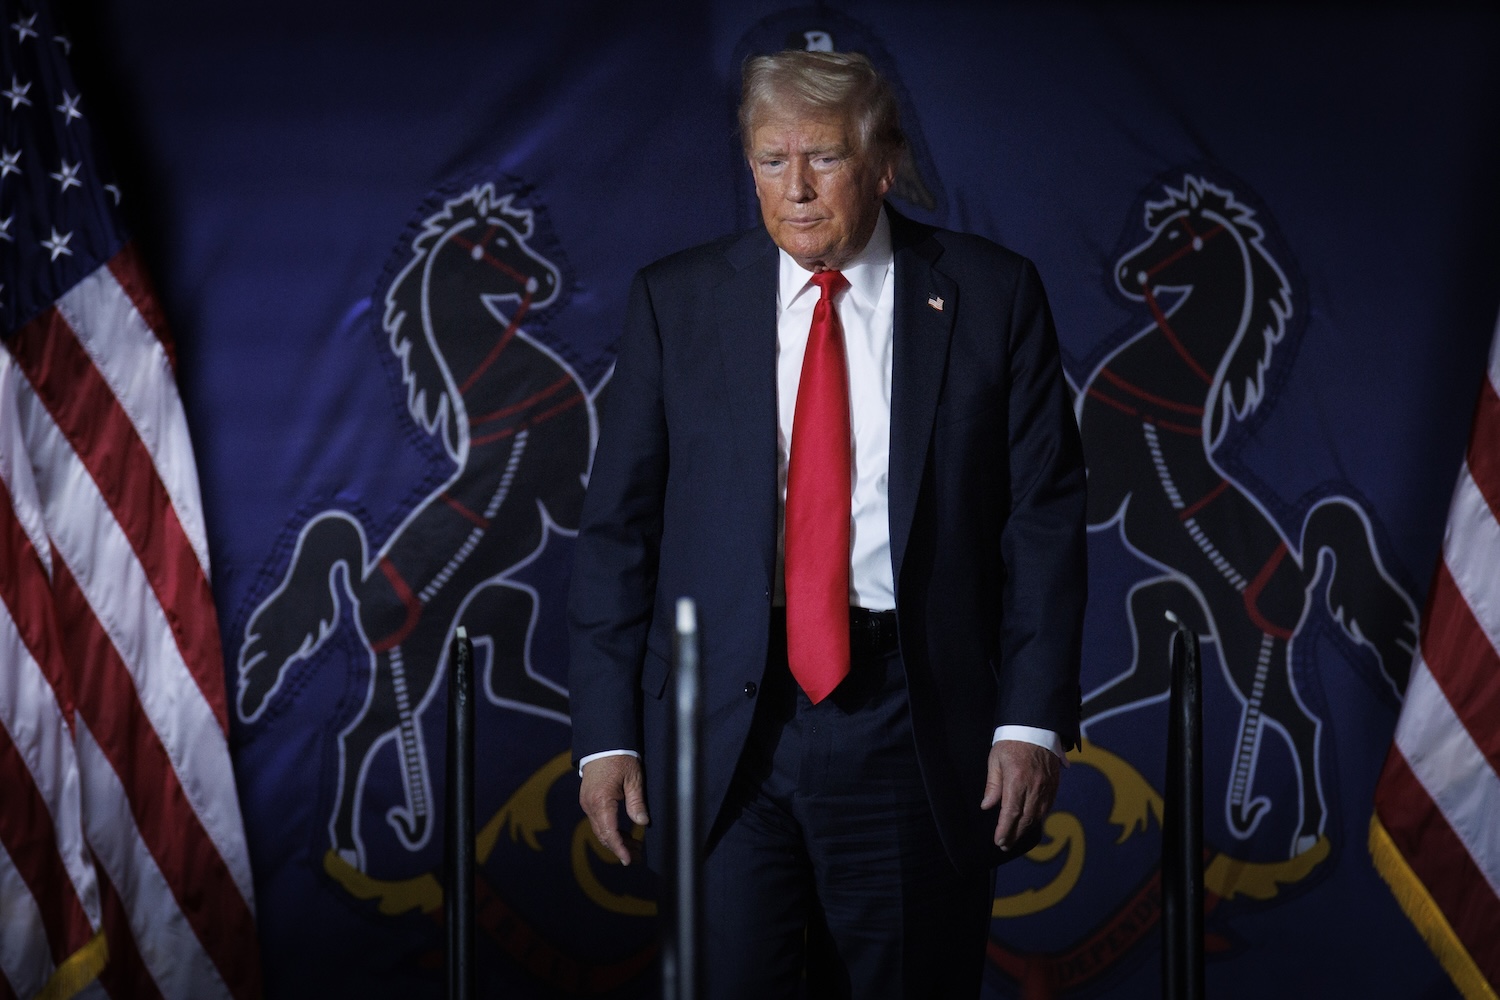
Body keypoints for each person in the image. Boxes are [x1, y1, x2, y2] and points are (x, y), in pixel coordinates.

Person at [568, 49, 1086, 998]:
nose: (796, 189)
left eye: (825, 158)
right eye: (771, 161)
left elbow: (1044, 522)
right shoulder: (675, 301)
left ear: (883, 163)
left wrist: (1031, 722)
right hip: (723, 737)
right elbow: (618, 532)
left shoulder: (991, 295)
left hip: (909, 725)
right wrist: (606, 735)